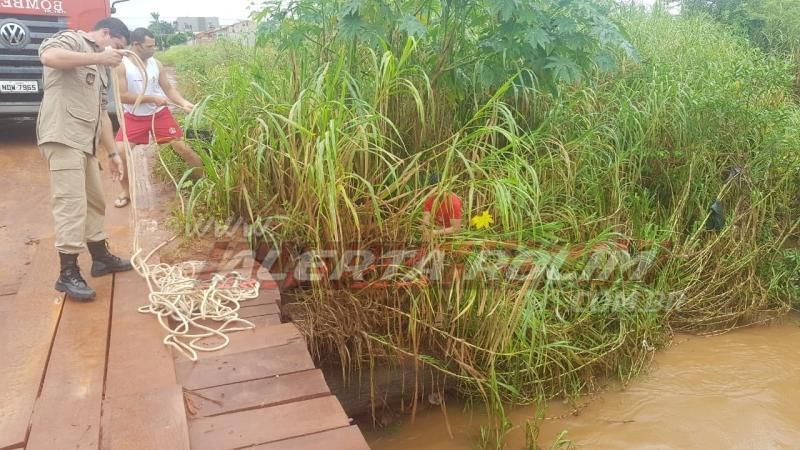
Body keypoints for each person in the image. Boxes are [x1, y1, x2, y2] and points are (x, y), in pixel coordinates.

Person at [37, 17, 135, 301]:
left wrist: (113, 153)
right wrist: (99, 56)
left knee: (94, 200)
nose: (115, 55)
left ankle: (100, 257)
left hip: (86, 142)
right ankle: (67, 273)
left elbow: (102, 112)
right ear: (105, 33)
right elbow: (49, 56)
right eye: (116, 47)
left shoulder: (101, 66)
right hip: (62, 135)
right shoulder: (71, 40)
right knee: (71, 203)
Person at [113, 27, 203, 208]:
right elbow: (122, 96)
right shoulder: (122, 65)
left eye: (154, 45)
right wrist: (152, 98)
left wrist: (183, 102)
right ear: (137, 45)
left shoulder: (156, 64)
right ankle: (125, 191)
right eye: (149, 46)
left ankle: (204, 183)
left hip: (159, 115)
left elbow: (168, 88)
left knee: (184, 149)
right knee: (120, 153)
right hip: (134, 116)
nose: (153, 49)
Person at [421, 174, 463, 239]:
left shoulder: (453, 202)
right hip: (436, 230)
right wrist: (426, 229)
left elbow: (456, 229)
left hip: (451, 236)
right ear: (429, 188)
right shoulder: (429, 200)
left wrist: (435, 232)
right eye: (433, 187)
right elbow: (426, 220)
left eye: (437, 186)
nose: (435, 189)